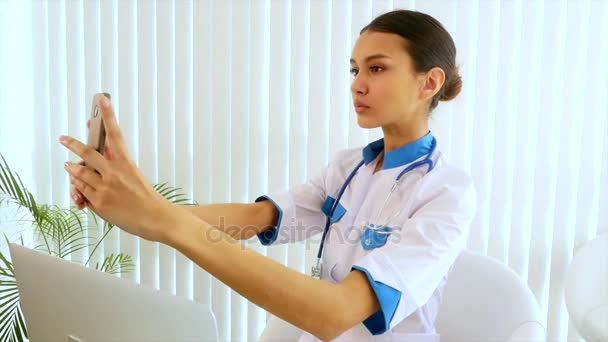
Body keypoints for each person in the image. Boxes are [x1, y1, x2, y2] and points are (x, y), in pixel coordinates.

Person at [62, 9, 476, 342]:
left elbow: (335, 314)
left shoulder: (447, 193)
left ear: (430, 82)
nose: (357, 85)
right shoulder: (350, 167)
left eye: (377, 69)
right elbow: (255, 218)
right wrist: (138, 206)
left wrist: (163, 220)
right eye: (354, 70)